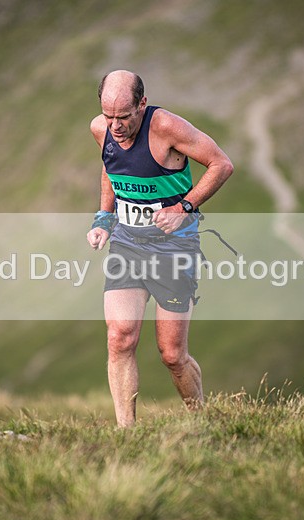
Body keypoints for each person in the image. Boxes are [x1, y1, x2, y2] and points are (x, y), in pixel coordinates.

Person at [86, 70, 234, 427]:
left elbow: (221, 165)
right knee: (119, 338)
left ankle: (201, 423)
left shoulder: (167, 127)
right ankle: (127, 435)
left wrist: (184, 208)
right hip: (128, 244)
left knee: (172, 355)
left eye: (124, 117)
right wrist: (103, 218)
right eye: (109, 116)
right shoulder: (100, 129)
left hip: (173, 248)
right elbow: (111, 170)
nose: (115, 126)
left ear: (142, 104)